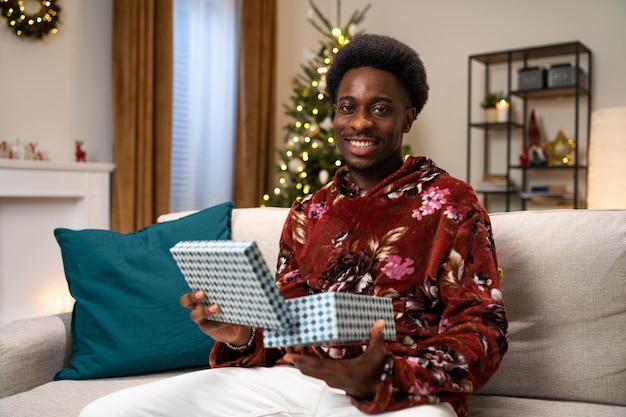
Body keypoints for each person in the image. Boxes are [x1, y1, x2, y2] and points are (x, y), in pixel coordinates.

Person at [79, 33, 508, 417]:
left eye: (380, 109)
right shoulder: (310, 211)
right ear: (335, 115)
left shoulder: (451, 203)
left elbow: (483, 327)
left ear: (407, 118)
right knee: (110, 410)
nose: (359, 122)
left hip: (399, 394)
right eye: (348, 108)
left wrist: (388, 376)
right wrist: (242, 335)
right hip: (296, 380)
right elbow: (287, 322)